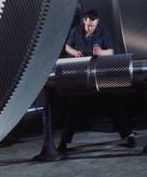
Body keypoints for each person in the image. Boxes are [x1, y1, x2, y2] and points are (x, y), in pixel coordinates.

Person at [57, 9, 136, 152]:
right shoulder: (76, 31)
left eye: (93, 26)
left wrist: (100, 53)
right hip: (82, 74)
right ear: (84, 21)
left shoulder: (103, 31)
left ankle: (129, 136)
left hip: (100, 74)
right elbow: (67, 46)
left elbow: (111, 51)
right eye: (88, 25)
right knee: (73, 107)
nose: (90, 28)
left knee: (115, 104)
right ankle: (64, 142)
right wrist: (75, 52)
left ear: (97, 23)